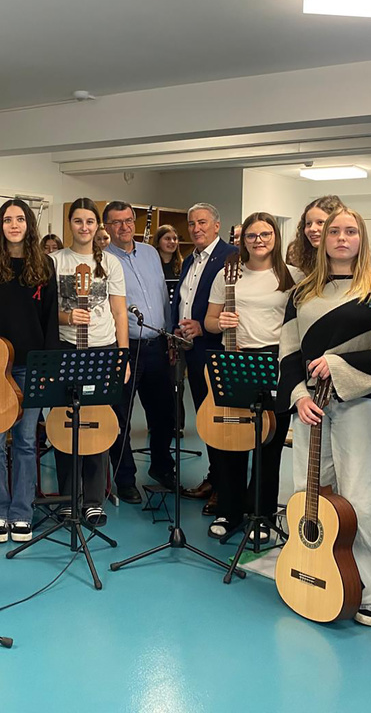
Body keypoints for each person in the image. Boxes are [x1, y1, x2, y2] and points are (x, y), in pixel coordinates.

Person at [278, 207, 371, 627]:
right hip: (312, 408)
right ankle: (325, 575)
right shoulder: (301, 293)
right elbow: (289, 352)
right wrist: (298, 395)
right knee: (310, 496)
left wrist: (339, 365)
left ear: (361, 238)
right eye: (334, 231)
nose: (340, 238)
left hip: (361, 402)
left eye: (350, 231)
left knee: (362, 500)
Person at [203, 212, 299, 540]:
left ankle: (262, 513)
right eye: (251, 236)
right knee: (231, 439)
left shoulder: (293, 275)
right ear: (242, 240)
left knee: (269, 444)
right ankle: (229, 511)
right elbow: (209, 321)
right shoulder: (228, 274)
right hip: (235, 359)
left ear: (276, 237)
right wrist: (220, 323)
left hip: (276, 361)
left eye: (265, 234)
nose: (259, 241)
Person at [0, 199, 58, 542]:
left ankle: (22, 512)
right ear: (0, 225)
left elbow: (50, 319)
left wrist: (48, 367)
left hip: (30, 366)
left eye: (20, 219)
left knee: (25, 441)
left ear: (29, 224)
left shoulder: (44, 265)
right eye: (8, 219)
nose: (14, 225)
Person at [49, 197, 129, 525]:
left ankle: (94, 500)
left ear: (98, 226)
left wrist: (122, 357)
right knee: (64, 423)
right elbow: (45, 313)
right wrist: (68, 317)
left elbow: (119, 311)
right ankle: (68, 498)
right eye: (78, 221)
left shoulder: (111, 263)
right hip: (66, 349)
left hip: (103, 349)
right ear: (69, 223)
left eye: (90, 221)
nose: (84, 227)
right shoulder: (54, 261)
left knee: (98, 422)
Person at [104, 201, 176, 503]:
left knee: (165, 413)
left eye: (128, 220)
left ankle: (162, 466)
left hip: (157, 343)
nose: (124, 227)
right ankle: (125, 479)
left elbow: (161, 296)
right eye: (117, 222)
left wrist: (170, 337)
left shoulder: (150, 253)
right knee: (120, 417)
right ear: (107, 227)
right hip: (125, 347)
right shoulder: (103, 259)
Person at [170, 203, 238, 513]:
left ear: (216, 225)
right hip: (191, 350)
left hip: (216, 350)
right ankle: (214, 477)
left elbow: (234, 305)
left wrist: (203, 325)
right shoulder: (189, 259)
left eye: (202, 222)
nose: (196, 228)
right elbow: (184, 299)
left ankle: (226, 488)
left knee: (221, 421)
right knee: (204, 418)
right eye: (191, 223)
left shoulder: (231, 257)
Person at [286, 195, 344, 276]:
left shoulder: (347, 261)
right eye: (308, 224)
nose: (312, 228)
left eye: (320, 222)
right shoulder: (298, 256)